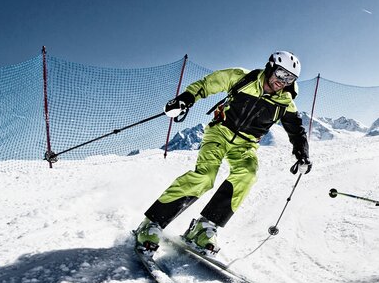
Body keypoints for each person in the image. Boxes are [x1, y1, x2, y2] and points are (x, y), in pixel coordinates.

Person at [134, 51, 312, 255]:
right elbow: (208, 84)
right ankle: (151, 223)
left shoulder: (286, 103)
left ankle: (204, 228)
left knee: (247, 174)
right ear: (270, 67)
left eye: (290, 78)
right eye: (281, 74)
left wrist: (302, 153)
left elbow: (296, 131)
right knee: (205, 176)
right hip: (219, 132)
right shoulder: (242, 78)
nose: (283, 81)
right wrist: (186, 98)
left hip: (246, 144)